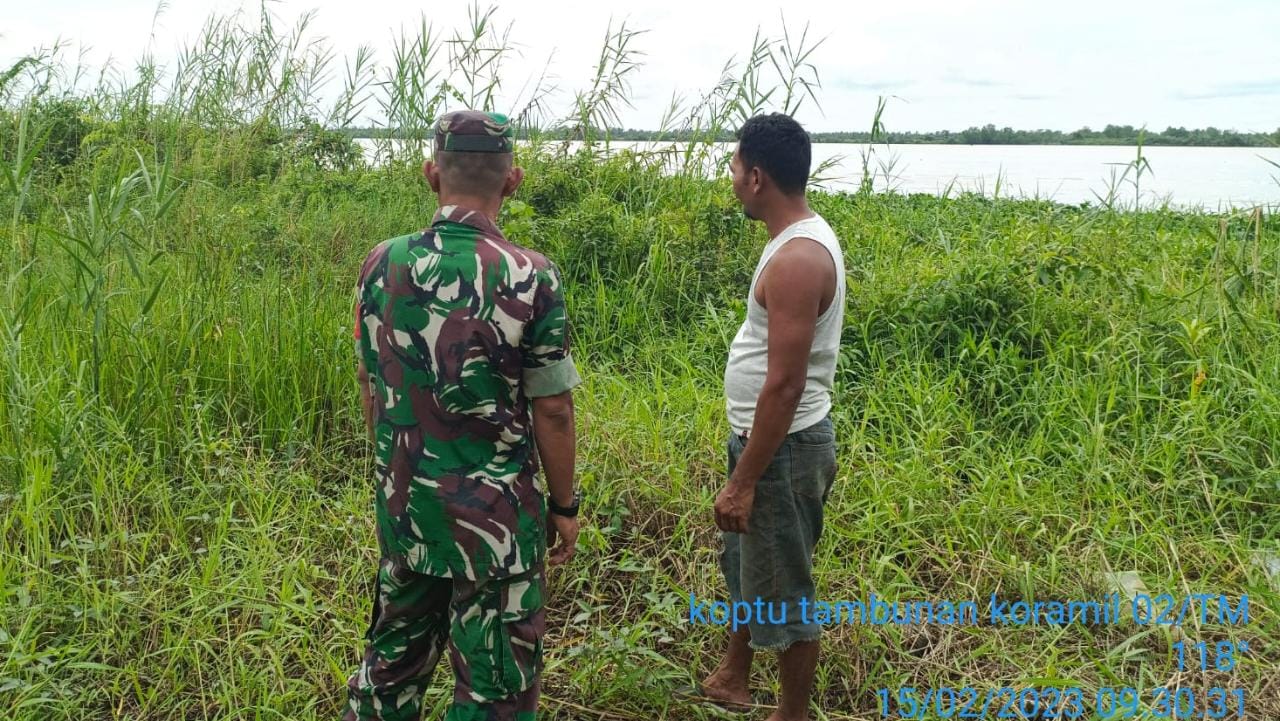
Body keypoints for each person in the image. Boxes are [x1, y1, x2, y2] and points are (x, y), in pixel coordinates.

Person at [345, 110, 582, 721]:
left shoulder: (380, 264)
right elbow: (553, 409)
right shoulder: (533, 277)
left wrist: (395, 482)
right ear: (514, 180)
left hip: (408, 512)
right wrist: (563, 507)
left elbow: (373, 384)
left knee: (391, 669)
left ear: (431, 175)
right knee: (494, 687)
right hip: (498, 526)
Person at [699, 113, 845, 721]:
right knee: (745, 561)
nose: (731, 178)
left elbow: (784, 386)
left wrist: (745, 480)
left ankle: (793, 713)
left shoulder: (798, 260)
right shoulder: (788, 243)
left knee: (784, 590)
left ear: (757, 176)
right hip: (765, 444)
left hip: (782, 450)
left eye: (735, 167)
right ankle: (735, 672)